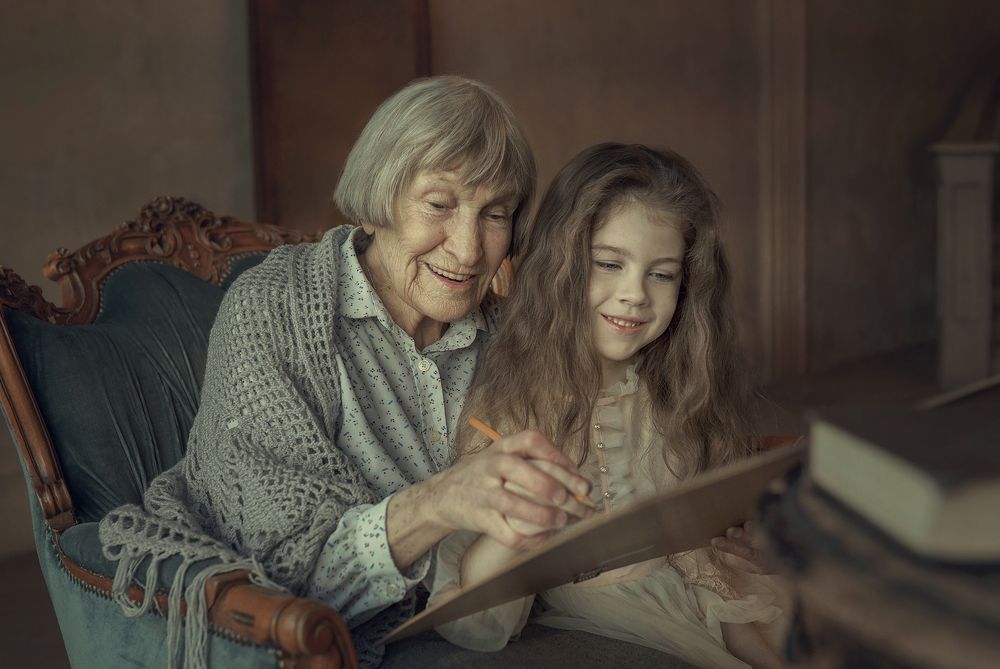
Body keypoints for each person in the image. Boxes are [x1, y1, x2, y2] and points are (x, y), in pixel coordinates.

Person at [97, 76, 593, 669]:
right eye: (438, 205)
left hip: (474, 623)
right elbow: (283, 574)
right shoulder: (274, 311)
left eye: (495, 214)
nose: (467, 249)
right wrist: (440, 503)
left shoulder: (509, 328)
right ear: (380, 198)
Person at [429, 143, 791, 669]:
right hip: (613, 611)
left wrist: (746, 537)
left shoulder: (678, 392)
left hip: (708, 593)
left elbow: (708, 552)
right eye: (609, 264)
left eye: (662, 274)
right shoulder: (511, 405)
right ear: (562, 265)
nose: (635, 294)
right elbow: (481, 613)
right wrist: (523, 521)